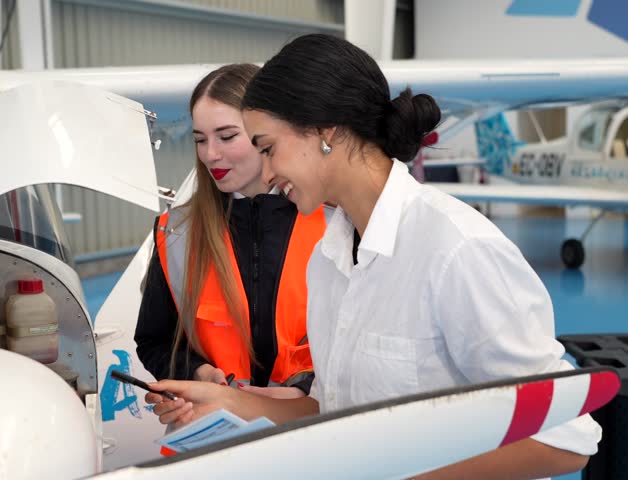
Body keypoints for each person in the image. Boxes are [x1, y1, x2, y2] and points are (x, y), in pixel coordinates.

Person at [145, 35, 600, 478]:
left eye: (268, 148)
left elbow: (564, 439)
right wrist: (230, 403)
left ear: (325, 132)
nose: (264, 172)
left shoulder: (457, 250)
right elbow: (336, 413)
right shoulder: (329, 260)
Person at [134, 63, 327, 399]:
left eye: (226, 137)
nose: (211, 154)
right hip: (219, 432)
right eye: (199, 140)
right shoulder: (175, 233)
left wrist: (305, 390)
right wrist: (195, 371)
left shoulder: (333, 223)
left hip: (314, 428)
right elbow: (154, 342)